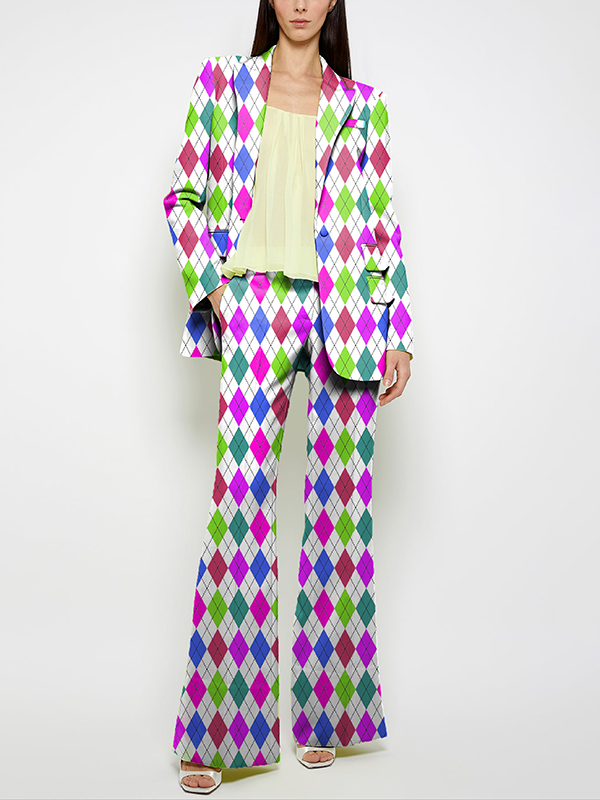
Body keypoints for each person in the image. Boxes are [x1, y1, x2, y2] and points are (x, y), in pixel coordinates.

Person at [163, 0, 414, 793]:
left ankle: (327, 716)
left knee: (340, 516)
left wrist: (398, 329)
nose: (301, 2)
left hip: (347, 316)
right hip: (255, 305)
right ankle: (220, 731)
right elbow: (182, 197)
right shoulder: (223, 84)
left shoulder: (363, 106)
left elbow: (382, 229)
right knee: (238, 509)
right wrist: (218, 290)